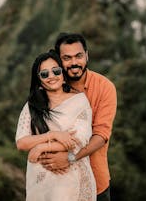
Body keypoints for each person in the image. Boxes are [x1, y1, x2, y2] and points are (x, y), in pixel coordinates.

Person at [37, 33, 117, 201]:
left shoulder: (104, 87)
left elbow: (101, 135)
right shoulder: (48, 89)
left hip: (95, 183)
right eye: (67, 58)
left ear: (86, 55)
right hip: (55, 183)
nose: (74, 63)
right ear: (58, 60)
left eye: (78, 56)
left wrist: (70, 158)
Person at [15, 49, 96, 201]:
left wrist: (42, 147)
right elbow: (21, 142)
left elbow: (79, 139)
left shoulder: (79, 102)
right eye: (44, 74)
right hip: (40, 181)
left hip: (70, 177)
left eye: (56, 71)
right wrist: (52, 135)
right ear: (39, 80)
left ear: (63, 75)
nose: (51, 77)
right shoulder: (32, 106)